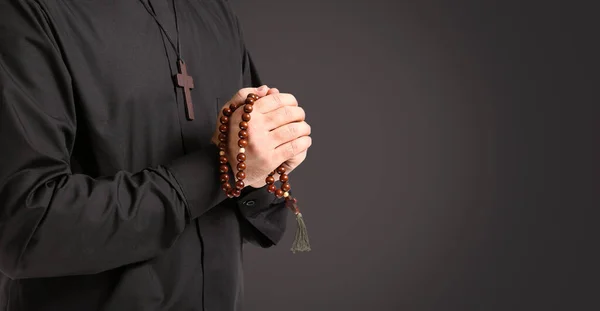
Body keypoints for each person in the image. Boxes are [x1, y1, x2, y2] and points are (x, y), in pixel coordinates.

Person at [0, 0, 312, 310]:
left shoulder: (216, 12)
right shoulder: (31, 11)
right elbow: (27, 229)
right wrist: (219, 168)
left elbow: (256, 217)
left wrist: (267, 160)